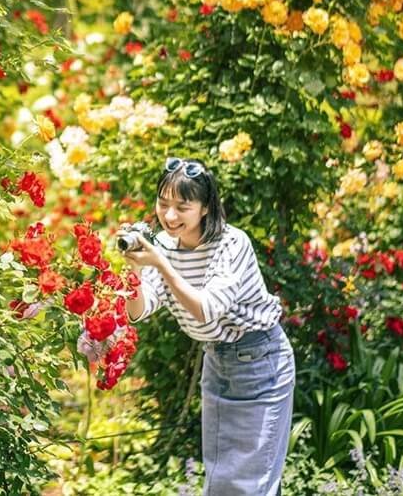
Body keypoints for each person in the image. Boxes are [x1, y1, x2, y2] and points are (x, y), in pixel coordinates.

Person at [121, 156, 295, 496]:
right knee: (221, 482)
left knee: (250, 484)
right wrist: (136, 271)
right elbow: (139, 311)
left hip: (261, 363)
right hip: (217, 362)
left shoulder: (232, 244)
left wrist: (161, 263)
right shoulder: (166, 247)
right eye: (163, 204)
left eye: (182, 207)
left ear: (204, 208)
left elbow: (207, 310)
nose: (170, 217)